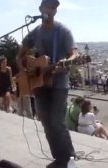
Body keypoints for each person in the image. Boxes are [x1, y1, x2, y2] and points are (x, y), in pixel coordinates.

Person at [16, 0, 77, 167]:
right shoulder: (35, 32)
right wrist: (24, 70)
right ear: (41, 9)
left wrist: (66, 61)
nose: (51, 10)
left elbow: (74, 54)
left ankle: (69, 158)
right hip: (39, 82)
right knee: (46, 122)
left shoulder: (63, 31)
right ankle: (58, 158)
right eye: (48, 6)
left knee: (57, 121)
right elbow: (19, 56)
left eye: (54, 7)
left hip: (59, 82)